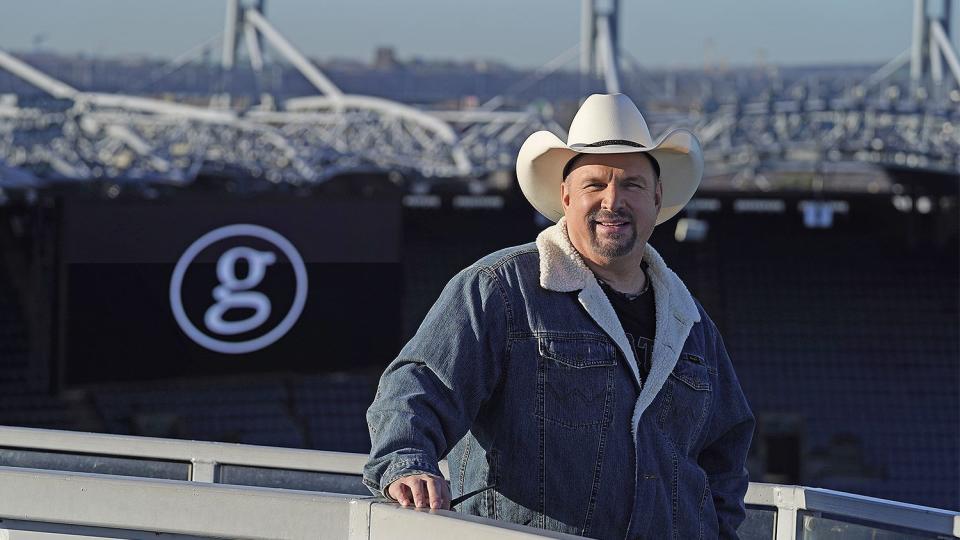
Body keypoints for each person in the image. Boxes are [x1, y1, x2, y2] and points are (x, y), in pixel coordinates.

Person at [363, 93, 755, 539]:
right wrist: (406, 464)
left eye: (632, 184)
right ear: (566, 195)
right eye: (595, 185)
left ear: (657, 198)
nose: (613, 200)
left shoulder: (692, 324)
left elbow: (725, 454)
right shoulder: (502, 289)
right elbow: (418, 385)